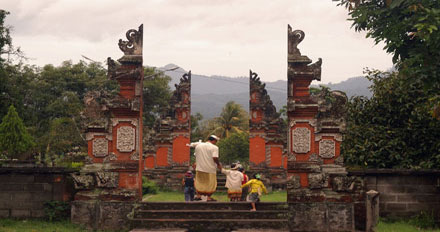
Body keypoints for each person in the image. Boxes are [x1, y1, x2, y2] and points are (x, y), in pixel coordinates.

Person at [189, 135, 222, 201]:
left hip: (200, 168)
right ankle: (208, 197)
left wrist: (195, 163)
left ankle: (198, 196)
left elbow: (196, 155)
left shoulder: (198, 146)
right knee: (210, 183)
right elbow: (215, 157)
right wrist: (218, 164)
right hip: (210, 169)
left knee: (199, 182)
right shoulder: (215, 147)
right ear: (214, 140)